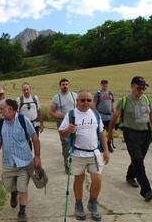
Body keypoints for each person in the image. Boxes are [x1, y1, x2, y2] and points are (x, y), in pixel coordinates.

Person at [108, 76, 152, 202]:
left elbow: (151, 116)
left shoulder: (146, 99)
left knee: (139, 159)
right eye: (139, 88)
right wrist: (109, 134)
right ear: (132, 86)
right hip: (131, 134)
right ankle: (146, 191)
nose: (141, 91)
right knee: (138, 160)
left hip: (145, 134)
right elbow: (114, 118)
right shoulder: (124, 100)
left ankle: (130, 176)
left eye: (143, 88)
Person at [59, 90, 110, 221]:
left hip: (94, 153)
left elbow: (101, 134)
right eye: (83, 100)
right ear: (77, 101)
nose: (86, 103)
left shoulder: (95, 114)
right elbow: (62, 134)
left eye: (88, 100)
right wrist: (67, 131)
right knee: (79, 180)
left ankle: (93, 203)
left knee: (97, 180)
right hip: (77, 153)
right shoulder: (71, 115)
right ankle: (78, 204)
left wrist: (106, 150)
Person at [0, 99, 42, 222]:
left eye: (2, 108)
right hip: (8, 163)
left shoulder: (23, 120)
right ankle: (13, 193)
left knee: (22, 188)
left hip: (25, 162)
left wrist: (37, 156)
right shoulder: (0, 123)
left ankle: (22, 211)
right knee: (9, 186)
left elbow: (35, 138)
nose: (0, 110)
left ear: (10, 109)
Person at [50, 78, 77, 174]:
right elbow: (52, 112)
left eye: (66, 84)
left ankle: (76, 163)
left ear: (69, 85)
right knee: (66, 144)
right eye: (63, 84)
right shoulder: (56, 97)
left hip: (74, 122)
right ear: (60, 86)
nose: (65, 86)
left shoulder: (74, 95)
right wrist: (61, 115)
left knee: (75, 143)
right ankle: (67, 166)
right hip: (62, 123)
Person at [93, 79, 115, 152]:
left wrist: (114, 114)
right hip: (101, 116)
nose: (105, 85)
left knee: (111, 132)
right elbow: (94, 105)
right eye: (103, 84)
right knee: (101, 132)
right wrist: (95, 115)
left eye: (106, 84)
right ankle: (101, 145)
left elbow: (112, 104)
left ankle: (108, 144)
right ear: (101, 85)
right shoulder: (98, 94)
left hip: (109, 116)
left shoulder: (110, 93)